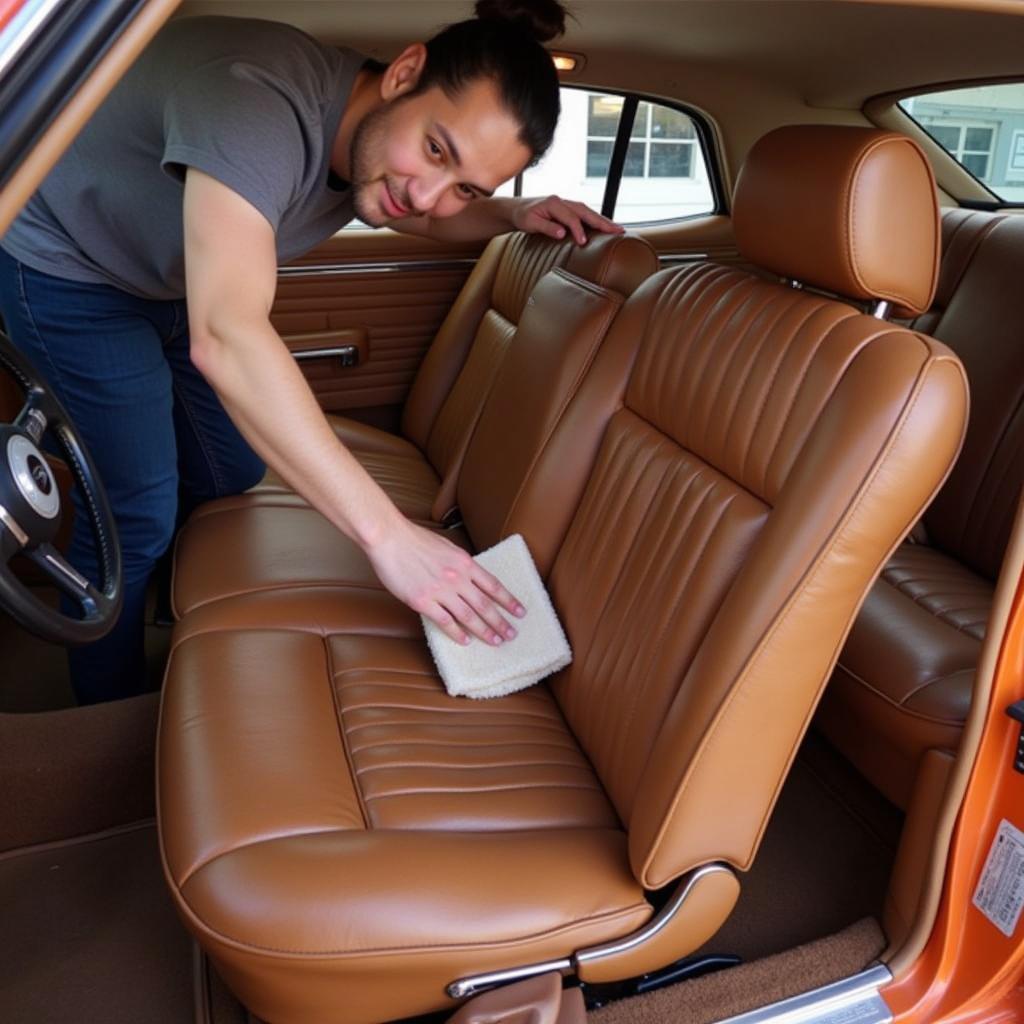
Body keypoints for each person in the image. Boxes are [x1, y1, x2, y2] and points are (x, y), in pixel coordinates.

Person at [0, 0, 621, 704]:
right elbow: (229, 334)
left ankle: (170, 591)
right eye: (437, 150)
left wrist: (510, 214)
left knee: (229, 470)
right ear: (405, 73)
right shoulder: (258, 103)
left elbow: (416, 216)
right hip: (69, 266)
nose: (427, 197)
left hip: (170, 282)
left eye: (466, 189)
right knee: (135, 509)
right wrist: (390, 538)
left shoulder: (377, 153)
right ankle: (104, 703)